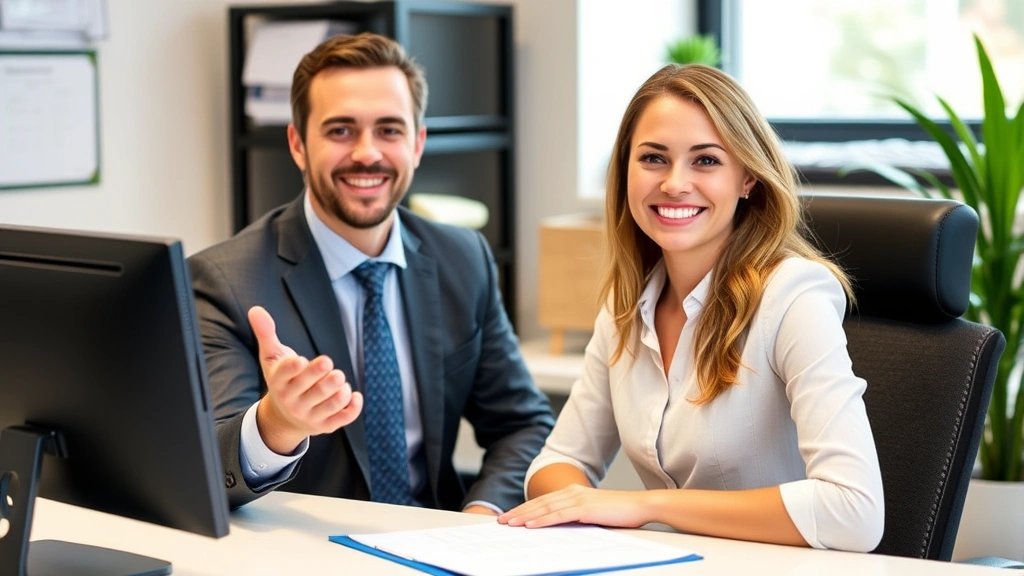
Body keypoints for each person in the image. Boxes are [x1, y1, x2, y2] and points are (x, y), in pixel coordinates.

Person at [497, 64, 884, 552]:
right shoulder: (626, 307)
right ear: (626, 172)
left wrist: (648, 507)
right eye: (653, 158)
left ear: (748, 177)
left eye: (705, 160)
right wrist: (582, 506)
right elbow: (556, 464)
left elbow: (854, 512)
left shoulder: (793, 296)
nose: (675, 183)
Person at [189, 32, 554, 514]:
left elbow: (522, 426)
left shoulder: (463, 258)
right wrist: (277, 423)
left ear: (417, 144)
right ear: (298, 144)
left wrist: (481, 518)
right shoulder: (224, 282)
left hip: (439, 540)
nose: (367, 152)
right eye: (341, 130)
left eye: (389, 130)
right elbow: (209, 468)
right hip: (305, 547)